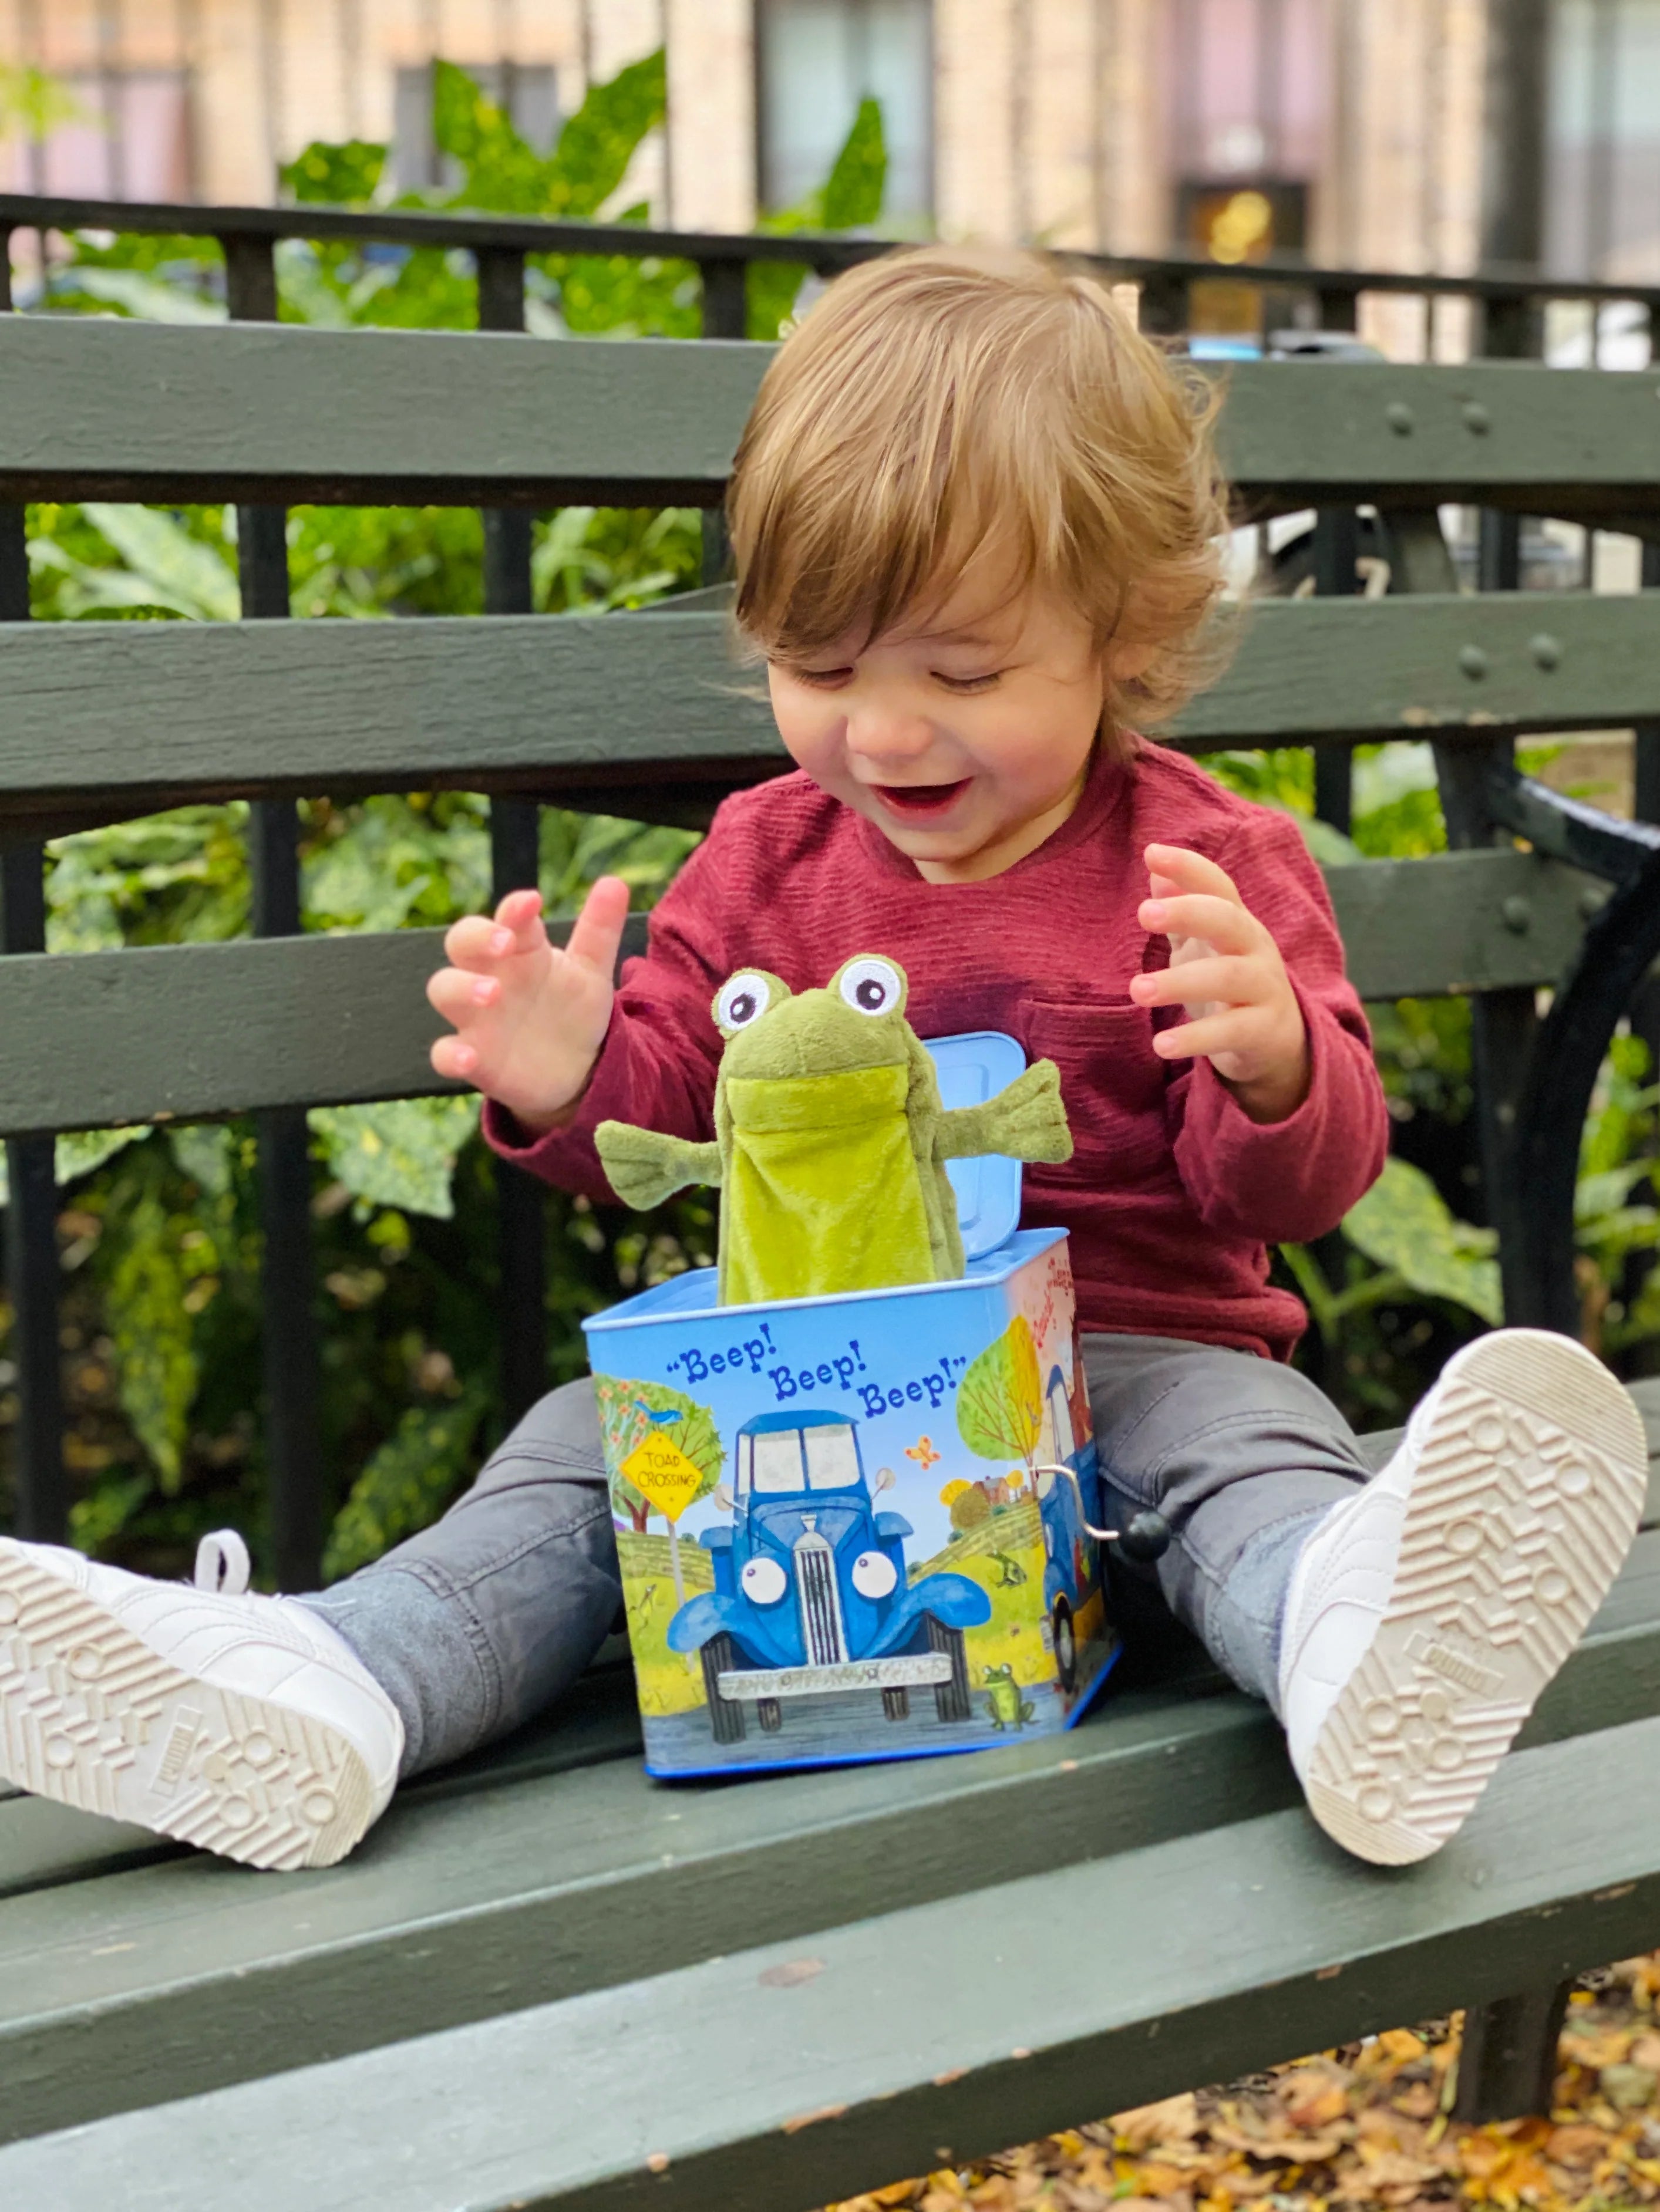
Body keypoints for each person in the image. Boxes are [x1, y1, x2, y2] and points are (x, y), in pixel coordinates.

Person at [0, 247, 1644, 1876]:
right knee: (577, 1460)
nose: (882, 732)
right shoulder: (760, 859)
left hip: (1126, 1367)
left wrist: (1274, 1063)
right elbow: (671, 1124)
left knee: (1239, 1449)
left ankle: (1349, 1640)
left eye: (962, 672)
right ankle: (333, 1681)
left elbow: (1291, 1186)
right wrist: (574, 1074)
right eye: (820, 664)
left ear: (1121, 636)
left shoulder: (1199, 863)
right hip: (784, 1378)